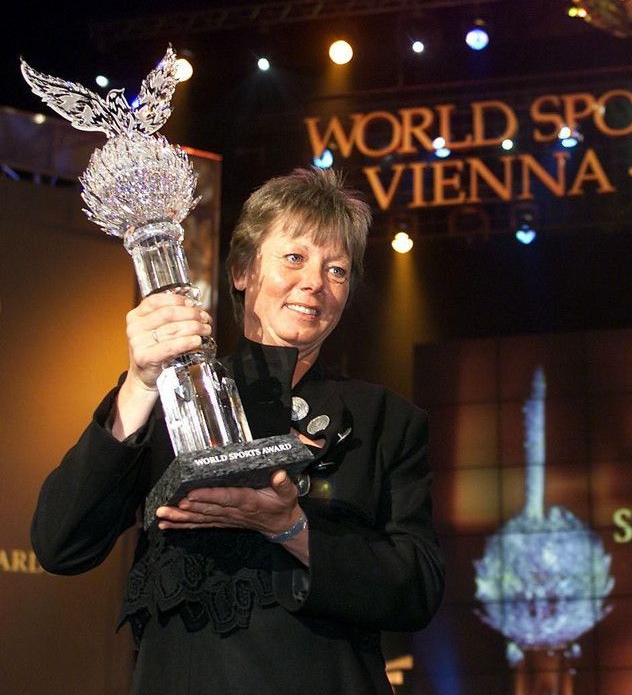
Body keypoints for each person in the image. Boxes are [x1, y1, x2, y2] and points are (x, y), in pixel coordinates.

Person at [31, 167, 444, 694]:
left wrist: (291, 528)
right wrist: (140, 382)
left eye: (337, 270)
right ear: (243, 270)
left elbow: (417, 588)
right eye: (294, 258)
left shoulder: (384, 420)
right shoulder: (174, 397)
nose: (315, 283)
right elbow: (61, 544)